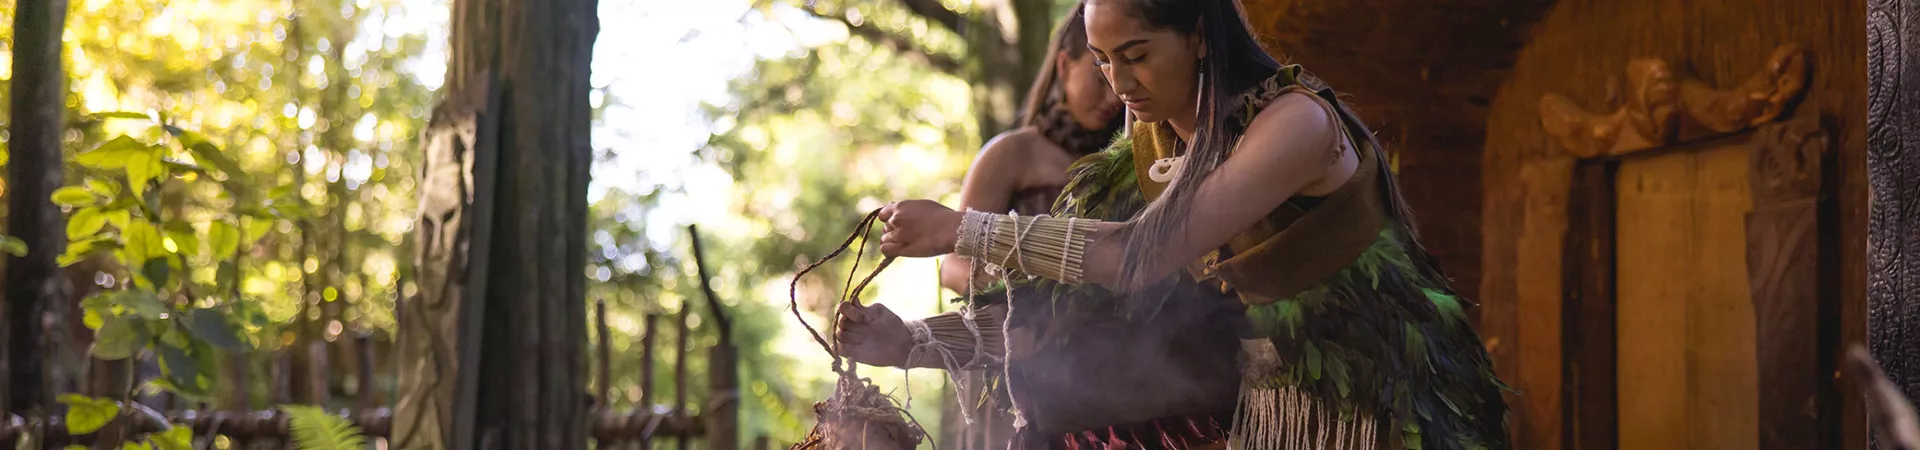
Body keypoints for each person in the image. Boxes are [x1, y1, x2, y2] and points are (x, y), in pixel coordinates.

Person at [840, 0, 1514, 448]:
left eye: (1135, 54)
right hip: (1253, 410)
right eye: (1102, 59)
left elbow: (1135, 255)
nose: (1117, 82)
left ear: (1198, 34)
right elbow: (1070, 308)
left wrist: (966, 230)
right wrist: (914, 343)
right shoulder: (1151, 145)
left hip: (1372, 411)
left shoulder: (1297, 123)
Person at [939, 2, 1125, 295]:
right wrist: (1020, 299)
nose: (1114, 97)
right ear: (1064, 66)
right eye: (1101, 80)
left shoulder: (1133, 155)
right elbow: (953, 266)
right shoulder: (1012, 153)